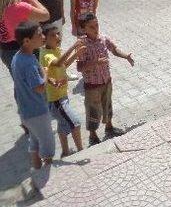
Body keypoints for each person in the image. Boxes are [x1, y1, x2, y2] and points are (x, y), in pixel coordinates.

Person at [75, 12, 134, 146]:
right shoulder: (82, 45)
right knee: (93, 110)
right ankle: (93, 136)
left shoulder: (103, 38)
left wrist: (126, 56)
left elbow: (114, 49)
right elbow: (79, 67)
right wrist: (94, 62)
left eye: (97, 25)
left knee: (107, 105)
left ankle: (109, 128)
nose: (96, 29)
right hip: (92, 85)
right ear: (83, 29)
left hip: (106, 81)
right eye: (91, 27)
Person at [12, 21, 55, 170]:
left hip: (25, 112)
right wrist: (46, 72)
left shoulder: (17, 57)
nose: (43, 37)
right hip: (37, 111)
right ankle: (49, 175)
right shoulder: (29, 62)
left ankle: (37, 170)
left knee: (35, 140)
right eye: (39, 35)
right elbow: (39, 87)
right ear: (27, 41)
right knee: (47, 142)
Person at [40, 25, 84, 157]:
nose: (57, 37)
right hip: (56, 100)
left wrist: (76, 54)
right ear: (44, 40)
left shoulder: (55, 49)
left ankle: (65, 152)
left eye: (58, 34)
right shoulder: (46, 54)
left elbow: (63, 65)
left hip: (61, 96)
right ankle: (81, 151)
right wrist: (73, 46)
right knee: (75, 123)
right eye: (53, 36)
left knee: (63, 124)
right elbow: (58, 63)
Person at [0, 0, 50, 72]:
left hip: (5, 50)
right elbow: (45, 15)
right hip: (27, 48)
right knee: (36, 81)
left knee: (21, 82)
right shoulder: (20, 7)